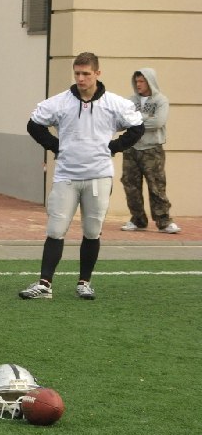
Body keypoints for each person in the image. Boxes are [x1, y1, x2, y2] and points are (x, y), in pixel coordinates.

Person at [19, 51, 144, 301]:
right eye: (77, 73)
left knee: (92, 229)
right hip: (67, 175)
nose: (81, 78)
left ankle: (84, 282)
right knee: (56, 229)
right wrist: (55, 146)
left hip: (98, 176)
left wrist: (114, 147)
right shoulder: (60, 102)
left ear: (97, 73)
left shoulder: (114, 103)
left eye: (86, 73)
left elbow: (137, 127)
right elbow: (34, 124)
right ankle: (44, 284)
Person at [120, 68, 181, 234]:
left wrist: (136, 122)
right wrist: (144, 119)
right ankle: (137, 220)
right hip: (131, 149)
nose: (138, 84)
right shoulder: (130, 101)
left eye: (142, 81)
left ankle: (164, 221)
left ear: (150, 82)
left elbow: (158, 122)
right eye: (136, 81)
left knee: (156, 186)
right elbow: (123, 120)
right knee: (130, 186)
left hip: (152, 150)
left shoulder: (161, 100)